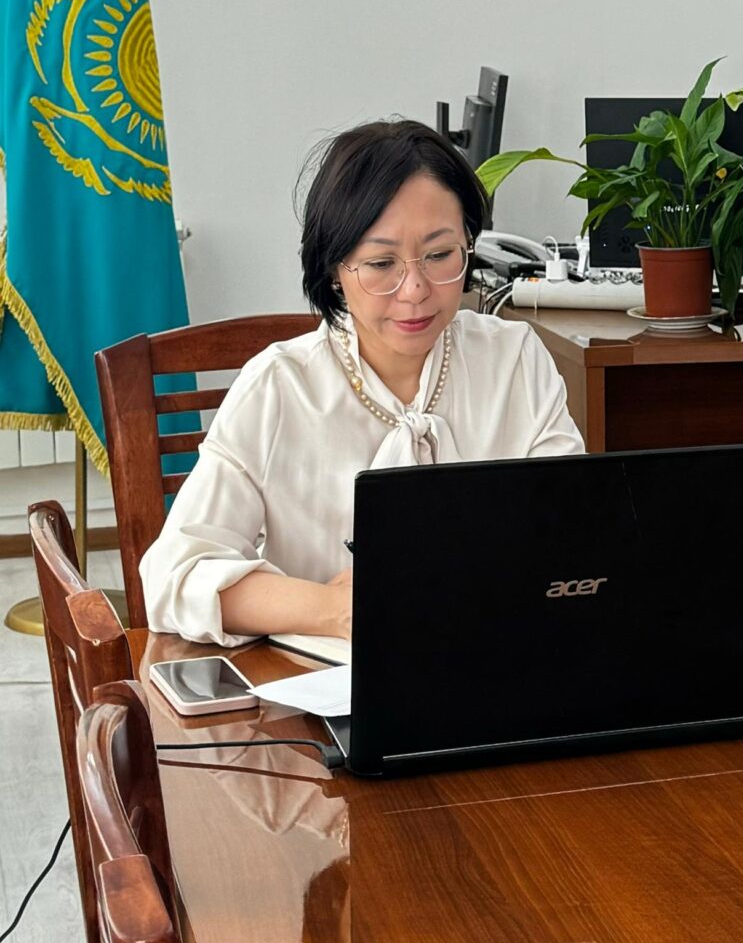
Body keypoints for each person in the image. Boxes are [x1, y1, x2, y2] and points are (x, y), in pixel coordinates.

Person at [140, 117, 582, 644]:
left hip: (498, 657)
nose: (415, 289)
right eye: (380, 263)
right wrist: (334, 609)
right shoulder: (279, 387)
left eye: (440, 255)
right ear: (334, 269)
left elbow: (576, 537)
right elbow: (174, 578)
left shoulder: (514, 360)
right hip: (327, 682)